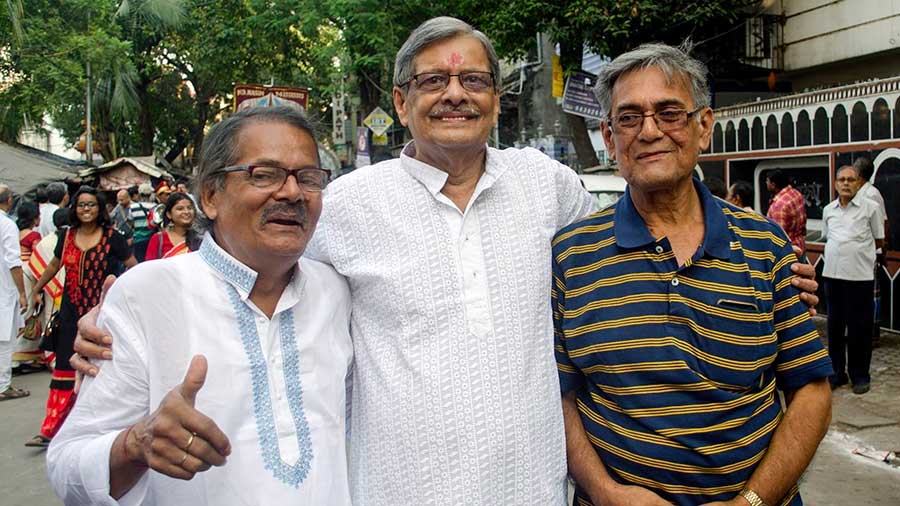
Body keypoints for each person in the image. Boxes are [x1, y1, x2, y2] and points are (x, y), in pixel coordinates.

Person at [71, 17, 822, 505]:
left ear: (496, 99)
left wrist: (781, 273)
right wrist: (118, 312)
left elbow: (648, 234)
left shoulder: (550, 188)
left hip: (536, 491)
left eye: (474, 81)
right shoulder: (349, 204)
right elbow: (261, 261)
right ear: (401, 104)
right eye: (433, 82)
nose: (455, 95)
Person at [553, 43, 833, 506]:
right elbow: (560, 398)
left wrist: (753, 501)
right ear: (608, 135)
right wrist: (606, 493)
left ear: (704, 126)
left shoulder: (764, 245)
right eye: (628, 117)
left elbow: (811, 389)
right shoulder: (571, 256)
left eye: (669, 113)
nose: (649, 132)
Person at [48, 106, 353, 505]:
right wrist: (135, 444)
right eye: (263, 175)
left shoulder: (337, 292)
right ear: (210, 196)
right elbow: (66, 469)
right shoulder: (147, 294)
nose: (292, 193)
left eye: (308, 178)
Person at [24, 186, 138, 447]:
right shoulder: (66, 237)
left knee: (102, 365)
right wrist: (37, 289)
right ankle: (51, 429)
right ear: (74, 209)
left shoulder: (113, 237)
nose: (86, 210)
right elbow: (54, 265)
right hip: (70, 312)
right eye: (81, 205)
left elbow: (133, 267)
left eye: (91, 205)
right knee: (65, 366)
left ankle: (102, 426)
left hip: (102, 313)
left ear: (100, 208)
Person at [821, 165, 885, 395]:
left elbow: (878, 240)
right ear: (835, 183)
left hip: (860, 278)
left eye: (851, 179)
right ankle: (837, 373)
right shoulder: (829, 210)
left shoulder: (871, 208)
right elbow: (828, 237)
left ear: (859, 183)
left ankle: (860, 375)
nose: (846, 183)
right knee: (835, 328)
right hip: (832, 276)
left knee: (860, 328)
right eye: (841, 179)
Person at [0, 185, 29, 401]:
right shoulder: (7, 225)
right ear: (9, 201)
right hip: (5, 290)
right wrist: (22, 292)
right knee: (4, 339)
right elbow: (13, 261)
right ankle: (3, 385)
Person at [12, 200, 44, 371]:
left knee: (18, 312)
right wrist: (39, 287)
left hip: (14, 273)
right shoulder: (34, 236)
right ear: (34, 218)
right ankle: (20, 355)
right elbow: (37, 260)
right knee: (28, 312)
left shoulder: (14, 233)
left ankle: (19, 355)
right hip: (28, 274)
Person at [144, 192, 199, 260]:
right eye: (180, 209)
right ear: (169, 214)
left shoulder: (200, 237)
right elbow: (150, 267)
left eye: (189, 208)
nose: (186, 212)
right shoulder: (158, 239)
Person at [765, 169, 807, 256]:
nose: (766, 183)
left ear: (773, 185)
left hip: (788, 253)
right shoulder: (796, 193)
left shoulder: (779, 206)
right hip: (800, 244)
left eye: (767, 181)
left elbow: (778, 237)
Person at [130, 184, 156, 262]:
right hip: (152, 240)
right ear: (150, 194)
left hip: (138, 240)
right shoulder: (155, 207)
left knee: (140, 263)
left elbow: (130, 221)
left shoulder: (133, 207)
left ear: (139, 194)